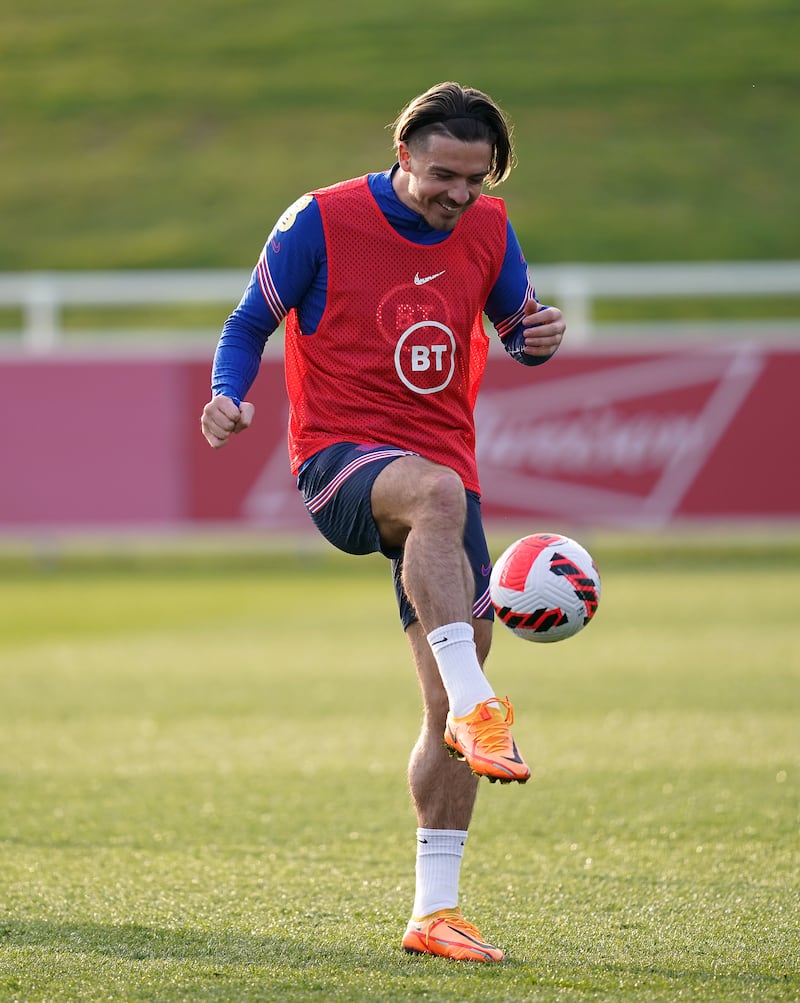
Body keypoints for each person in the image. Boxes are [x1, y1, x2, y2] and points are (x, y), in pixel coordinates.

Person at [201, 81, 565, 963]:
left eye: (474, 180)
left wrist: (536, 333)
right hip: (339, 458)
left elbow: (512, 323)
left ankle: (434, 913)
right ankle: (484, 708)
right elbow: (251, 321)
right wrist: (226, 396)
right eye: (443, 174)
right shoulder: (320, 220)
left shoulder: (487, 225)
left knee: (446, 697)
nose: (458, 195)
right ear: (403, 154)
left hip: (447, 467)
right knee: (435, 499)